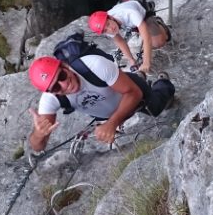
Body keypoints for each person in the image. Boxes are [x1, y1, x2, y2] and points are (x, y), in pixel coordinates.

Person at [28, 54, 174, 152]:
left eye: (62, 75)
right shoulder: (50, 100)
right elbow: (38, 147)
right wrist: (39, 134)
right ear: (50, 92)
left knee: (156, 108)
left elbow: (134, 93)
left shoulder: (94, 65)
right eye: (56, 87)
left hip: (130, 91)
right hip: (109, 108)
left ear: (65, 66)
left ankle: (163, 82)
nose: (64, 85)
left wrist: (112, 123)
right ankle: (136, 76)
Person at [88, 0, 171, 73]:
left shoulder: (130, 13)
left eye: (108, 24)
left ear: (110, 17)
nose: (110, 29)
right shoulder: (105, 26)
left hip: (142, 13)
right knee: (140, 31)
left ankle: (158, 23)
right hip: (129, 21)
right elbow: (119, 41)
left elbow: (147, 38)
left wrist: (146, 62)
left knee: (158, 42)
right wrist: (131, 60)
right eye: (105, 30)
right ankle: (139, 29)